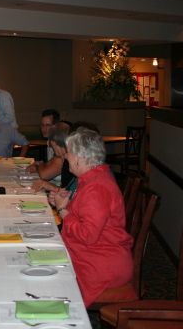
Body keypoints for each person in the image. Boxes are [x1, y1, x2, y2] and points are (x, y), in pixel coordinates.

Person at [53, 127, 133, 306]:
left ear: (80, 158)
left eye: (68, 152)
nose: (66, 156)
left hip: (101, 264)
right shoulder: (91, 179)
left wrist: (62, 210)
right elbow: (85, 213)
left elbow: (87, 235)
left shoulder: (97, 187)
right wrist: (66, 202)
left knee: (48, 281)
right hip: (90, 254)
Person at [31, 122, 74, 193]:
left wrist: (52, 187)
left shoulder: (68, 161)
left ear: (52, 143)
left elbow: (73, 193)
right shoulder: (63, 157)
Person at [25, 109, 61, 179]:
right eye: (42, 125)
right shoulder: (49, 141)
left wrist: (40, 164)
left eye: (48, 125)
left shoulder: (59, 145)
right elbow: (50, 164)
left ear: (55, 126)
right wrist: (37, 166)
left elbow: (45, 175)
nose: (44, 129)